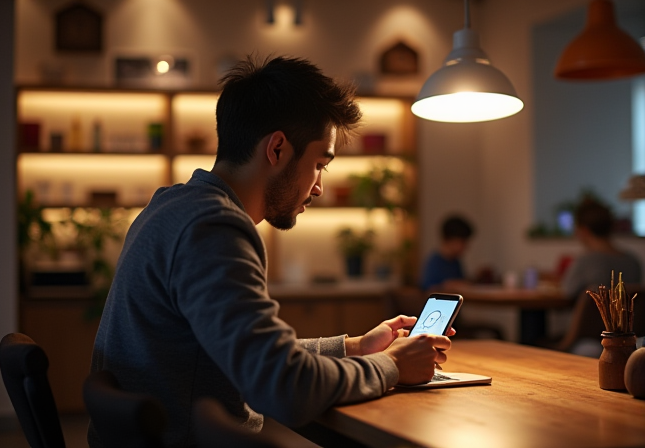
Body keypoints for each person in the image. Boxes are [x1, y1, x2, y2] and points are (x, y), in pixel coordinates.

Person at [88, 56, 453, 448]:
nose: (318, 188)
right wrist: (393, 366)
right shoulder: (214, 229)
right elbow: (283, 388)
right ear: (277, 148)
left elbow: (251, 358)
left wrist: (355, 348)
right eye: (318, 164)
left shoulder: (171, 206)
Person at [561, 198, 642, 299]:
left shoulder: (586, 261)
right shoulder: (633, 261)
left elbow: (566, 292)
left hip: (585, 315)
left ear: (584, 230)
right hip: (625, 315)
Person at [420, 215, 474, 291]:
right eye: (462, 242)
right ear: (449, 240)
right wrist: (448, 285)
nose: (466, 247)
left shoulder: (456, 262)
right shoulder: (434, 262)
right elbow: (427, 289)